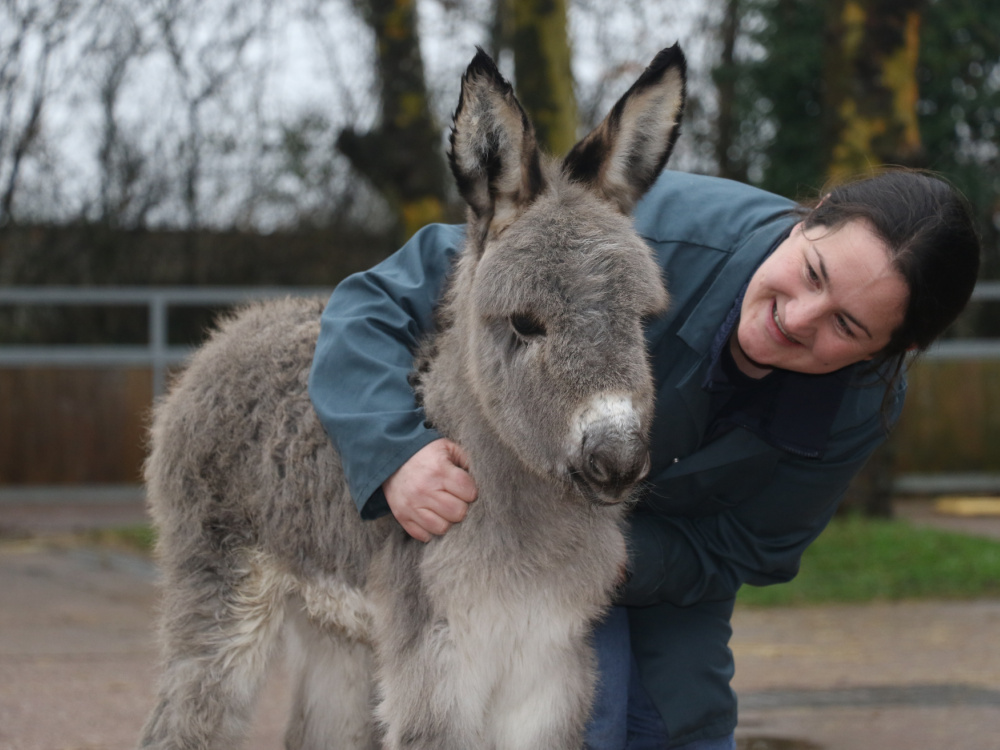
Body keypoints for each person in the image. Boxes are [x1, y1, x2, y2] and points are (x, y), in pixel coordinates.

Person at [308, 167, 980, 749]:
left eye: (847, 326)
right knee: (567, 720)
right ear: (815, 213)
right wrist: (394, 453)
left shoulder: (859, 404)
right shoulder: (629, 228)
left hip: (657, 581)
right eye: (812, 273)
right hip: (506, 531)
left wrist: (609, 558)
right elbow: (374, 302)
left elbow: (747, 547)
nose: (798, 318)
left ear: (892, 352)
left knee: (686, 727)